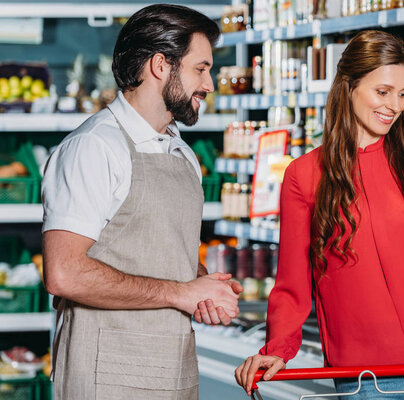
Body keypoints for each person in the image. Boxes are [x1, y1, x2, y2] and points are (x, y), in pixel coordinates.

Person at [235, 30, 404, 399]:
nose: (394, 105)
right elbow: (292, 286)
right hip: (365, 379)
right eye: (383, 91)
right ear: (349, 86)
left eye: (403, 94)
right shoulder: (305, 176)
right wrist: (277, 350)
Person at [42, 5, 242, 399]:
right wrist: (181, 292)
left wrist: (199, 283)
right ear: (160, 65)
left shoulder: (180, 153)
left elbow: (151, 247)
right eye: (200, 69)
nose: (210, 84)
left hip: (173, 373)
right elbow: (64, 273)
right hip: (106, 379)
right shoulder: (95, 147)